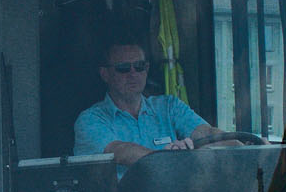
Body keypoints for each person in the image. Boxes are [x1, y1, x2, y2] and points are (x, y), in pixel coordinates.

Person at [72, 37, 236, 170]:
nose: (133, 74)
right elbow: (120, 151)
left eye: (139, 66)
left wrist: (247, 147)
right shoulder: (90, 120)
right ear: (105, 74)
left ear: (147, 68)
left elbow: (206, 133)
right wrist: (170, 159)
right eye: (123, 68)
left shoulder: (169, 106)